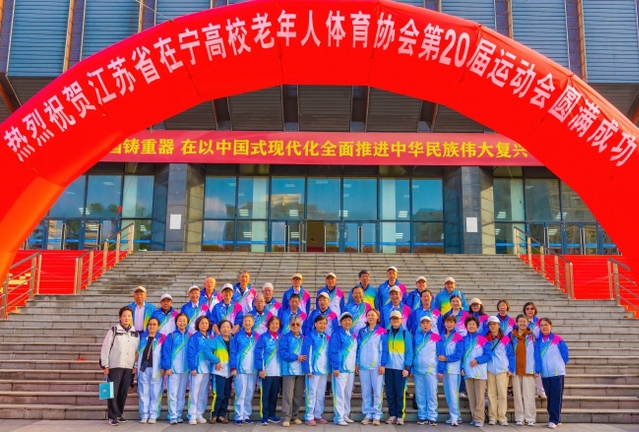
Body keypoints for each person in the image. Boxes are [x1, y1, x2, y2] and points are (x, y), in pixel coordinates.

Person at [100, 306, 140, 426]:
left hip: (128, 366)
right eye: (124, 316)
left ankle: (119, 414)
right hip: (115, 365)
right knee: (113, 391)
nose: (127, 318)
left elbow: (136, 351)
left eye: (129, 316)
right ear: (120, 317)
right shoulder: (113, 331)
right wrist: (105, 365)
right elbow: (105, 348)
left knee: (123, 391)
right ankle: (112, 416)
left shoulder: (135, 333)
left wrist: (135, 365)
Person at [535, 317, 569, 429]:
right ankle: (556, 419)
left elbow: (565, 354)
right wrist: (538, 370)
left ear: (551, 326)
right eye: (542, 325)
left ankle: (553, 420)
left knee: (556, 396)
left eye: (546, 324)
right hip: (545, 373)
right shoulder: (538, 341)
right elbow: (537, 357)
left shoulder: (557, 339)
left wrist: (559, 364)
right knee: (550, 396)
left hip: (557, 372)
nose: (544, 327)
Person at [356, 309, 388, 426]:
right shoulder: (362, 331)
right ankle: (368, 414)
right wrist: (357, 362)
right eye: (368, 315)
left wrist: (382, 364)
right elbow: (358, 348)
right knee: (366, 391)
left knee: (378, 391)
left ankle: (377, 415)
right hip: (363, 366)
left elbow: (384, 350)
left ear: (377, 317)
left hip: (376, 366)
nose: (370, 317)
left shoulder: (382, 332)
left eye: (373, 315)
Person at [384, 310, 413, 425]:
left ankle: (400, 415)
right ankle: (392, 414)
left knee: (400, 393)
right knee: (390, 392)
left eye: (397, 319)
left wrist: (407, 367)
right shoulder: (386, 333)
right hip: (388, 367)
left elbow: (409, 352)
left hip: (401, 368)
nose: (395, 321)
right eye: (393, 319)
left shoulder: (406, 334)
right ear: (390, 320)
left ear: (401, 320)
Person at [461, 315, 490, 428]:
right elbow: (462, 356)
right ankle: (474, 417)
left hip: (479, 372)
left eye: (473, 324)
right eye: (469, 324)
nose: (471, 326)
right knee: (471, 396)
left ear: (477, 326)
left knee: (479, 397)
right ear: (466, 326)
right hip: (467, 371)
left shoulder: (483, 340)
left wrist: (477, 360)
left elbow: (488, 355)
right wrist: (462, 368)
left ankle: (479, 418)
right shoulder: (463, 340)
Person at [302, 314, 331, 426]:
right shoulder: (310, 336)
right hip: (313, 370)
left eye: (324, 323)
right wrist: (308, 369)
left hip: (323, 370)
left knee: (320, 394)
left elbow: (328, 354)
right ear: (315, 324)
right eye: (320, 323)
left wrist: (328, 369)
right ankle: (309, 416)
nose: (322, 325)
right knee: (311, 393)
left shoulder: (326, 337)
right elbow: (306, 353)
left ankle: (318, 415)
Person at [412, 315, 441, 426]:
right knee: (420, 394)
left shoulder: (436, 338)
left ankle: (432, 416)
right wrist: (411, 368)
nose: (425, 325)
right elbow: (412, 353)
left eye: (427, 323)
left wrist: (441, 369)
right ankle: (422, 416)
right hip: (418, 370)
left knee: (432, 393)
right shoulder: (416, 337)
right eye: (423, 323)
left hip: (431, 370)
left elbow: (440, 354)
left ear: (431, 325)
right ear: (420, 325)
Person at [330, 312, 358, 426]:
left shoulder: (352, 335)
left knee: (347, 393)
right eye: (345, 320)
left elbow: (355, 351)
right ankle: (339, 417)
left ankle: (346, 414)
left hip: (350, 369)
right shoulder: (337, 334)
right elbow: (333, 351)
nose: (347, 322)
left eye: (349, 320)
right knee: (339, 393)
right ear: (340, 322)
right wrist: (335, 367)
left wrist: (356, 364)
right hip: (340, 368)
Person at [161, 312, 189, 425]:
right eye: (180, 320)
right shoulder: (171, 336)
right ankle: (172, 415)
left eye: (184, 321)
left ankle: (178, 414)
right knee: (172, 393)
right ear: (176, 322)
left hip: (185, 370)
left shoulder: (190, 336)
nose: (182, 323)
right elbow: (166, 352)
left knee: (181, 394)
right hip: (173, 370)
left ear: (187, 322)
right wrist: (167, 367)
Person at [230, 314, 259, 425]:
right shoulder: (237, 336)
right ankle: (239, 415)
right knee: (240, 393)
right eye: (245, 321)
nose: (247, 323)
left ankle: (246, 415)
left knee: (249, 393)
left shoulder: (257, 336)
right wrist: (233, 367)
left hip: (253, 369)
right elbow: (233, 352)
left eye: (249, 321)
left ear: (253, 323)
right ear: (243, 323)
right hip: (240, 369)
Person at [486, 315, 515, 426]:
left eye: (494, 324)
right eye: (490, 324)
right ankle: (492, 416)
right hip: (490, 369)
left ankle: (502, 417)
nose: (492, 326)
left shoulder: (505, 339)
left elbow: (511, 354)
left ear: (499, 325)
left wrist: (511, 368)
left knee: (502, 394)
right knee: (491, 394)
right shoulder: (486, 339)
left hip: (502, 369)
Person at [279, 315, 306, 427]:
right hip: (289, 370)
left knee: (298, 395)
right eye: (293, 324)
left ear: (300, 325)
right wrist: (296, 357)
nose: (295, 326)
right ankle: (286, 417)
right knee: (288, 395)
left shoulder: (304, 338)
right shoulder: (285, 338)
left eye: (297, 324)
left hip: (301, 371)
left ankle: (294, 416)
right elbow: (283, 353)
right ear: (289, 325)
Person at [255, 316, 282, 425]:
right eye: (273, 323)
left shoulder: (281, 337)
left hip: (278, 372)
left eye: (277, 324)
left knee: (274, 395)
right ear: (268, 325)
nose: (275, 326)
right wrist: (261, 369)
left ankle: (272, 414)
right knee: (265, 395)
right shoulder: (263, 337)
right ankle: (264, 416)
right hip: (266, 371)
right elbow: (259, 353)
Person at [437, 314, 464, 426]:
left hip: (454, 369)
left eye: (451, 322)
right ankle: (454, 415)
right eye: (447, 322)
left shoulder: (459, 337)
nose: (449, 324)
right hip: (444, 369)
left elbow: (459, 354)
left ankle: (455, 416)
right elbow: (439, 352)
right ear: (444, 323)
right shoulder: (441, 337)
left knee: (453, 394)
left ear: (455, 323)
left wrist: (446, 358)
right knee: (448, 394)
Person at [205, 319, 233, 424]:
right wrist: (216, 360)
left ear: (231, 329)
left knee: (226, 394)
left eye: (228, 327)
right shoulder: (215, 340)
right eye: (223, 327)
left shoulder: (232, 341)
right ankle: (214, 415)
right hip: (219, 372)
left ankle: (222, 415)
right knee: (219, 395)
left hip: (229, 372)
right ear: (219, 329)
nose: (226, 329)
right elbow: (207, 352)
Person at [511, 314, 537, 426]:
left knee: (529, 394)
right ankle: (519, 417)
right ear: (517, 323)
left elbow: (536, 353)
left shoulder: (532, 336)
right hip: (516, 369)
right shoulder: (512, 335)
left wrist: (537, 369)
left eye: (524, 321)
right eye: (520, 321)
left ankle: (530, 417)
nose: (522, 323)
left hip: (529, 368)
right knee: (517, 395)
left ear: (527, 323)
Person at [137, 317, 164, 424]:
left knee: (155, 392)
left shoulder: (162, 338)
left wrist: (164, 367)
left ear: (158, 326)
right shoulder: (142, 338)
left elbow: (165, 354)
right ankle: (144, 415)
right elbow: (137, 352)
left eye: (154, 324)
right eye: (150, 324)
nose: (151, 326)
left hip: (156, 368)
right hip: (143, 368)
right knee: (143, 392)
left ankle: (153, 415)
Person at [187, 315, 212, 425]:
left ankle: (199, 414)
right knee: (194, 392)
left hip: (207, 369)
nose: (204, 325)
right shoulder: (194, 337)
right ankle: (192, 415)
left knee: (203, 392)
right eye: (202, 323)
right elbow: (191, 353)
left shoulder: (210, 337)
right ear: (198, 325)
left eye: (206, 323)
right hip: (197, 369)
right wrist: (192, 367)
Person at [523, 301, 547, 399]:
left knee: (538, 370)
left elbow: (544, 333)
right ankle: (527, 391)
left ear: (535, 310)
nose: (529, 310)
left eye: (531, 308)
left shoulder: (539, 322)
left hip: (537, 348)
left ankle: (541, 391)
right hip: (525, 349)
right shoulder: (522, 321)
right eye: (527, 309)